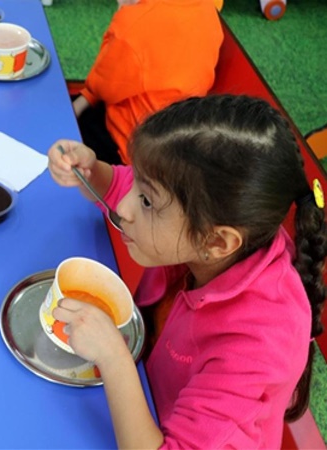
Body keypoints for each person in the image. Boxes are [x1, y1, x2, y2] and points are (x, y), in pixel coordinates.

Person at [47, 95, 326, 448]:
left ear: (217, 242)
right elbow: (145, 187)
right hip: (146, 390)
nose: (124, 207)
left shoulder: (258, 344)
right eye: (138, 187)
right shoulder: (218, 233)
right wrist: (96, 172)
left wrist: (115, 358)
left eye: (145, 201)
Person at [74, 0, 223, 165]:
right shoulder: (207, 8)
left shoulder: (135, 24)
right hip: (175, 146)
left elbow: (103, 87)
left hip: (128, 149)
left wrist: (123, 12)